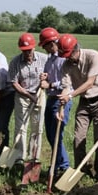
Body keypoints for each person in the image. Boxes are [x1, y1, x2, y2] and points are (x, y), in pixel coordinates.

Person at [57, 34, 98, 183]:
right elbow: (66, 87)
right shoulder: (66, 65)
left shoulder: (93, 56)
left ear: (76, 49)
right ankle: (80, 173)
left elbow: (90, 82)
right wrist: (61, 105)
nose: (68, 58)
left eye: (69, 55)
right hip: (84, 101)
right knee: (78, 138)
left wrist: (71, 95)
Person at [7, 32, 48, 165]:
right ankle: (19, 157)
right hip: (22, 97)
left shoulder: (44, 59)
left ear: (34, 48)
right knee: (20, 127)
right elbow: (14, 83)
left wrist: (46, 79)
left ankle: (34, 156)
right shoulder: (15, 62)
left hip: (40, 96)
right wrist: (29, 96)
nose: (27, 53)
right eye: (24, 51)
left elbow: (50, 76)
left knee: (37, 128)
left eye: (29, 50)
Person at [39, 27, 70, 176]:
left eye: (44, 45)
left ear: (52, 43)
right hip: (51, 98)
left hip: (61, 99)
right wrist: (45, 77)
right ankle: (59, 164)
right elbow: (50, 76)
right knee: (51, 135)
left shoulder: (64, 59)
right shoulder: (50, 58)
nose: (44, 48)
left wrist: (50, 84)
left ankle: (62, 166)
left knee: (57, 134)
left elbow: (67, 83)